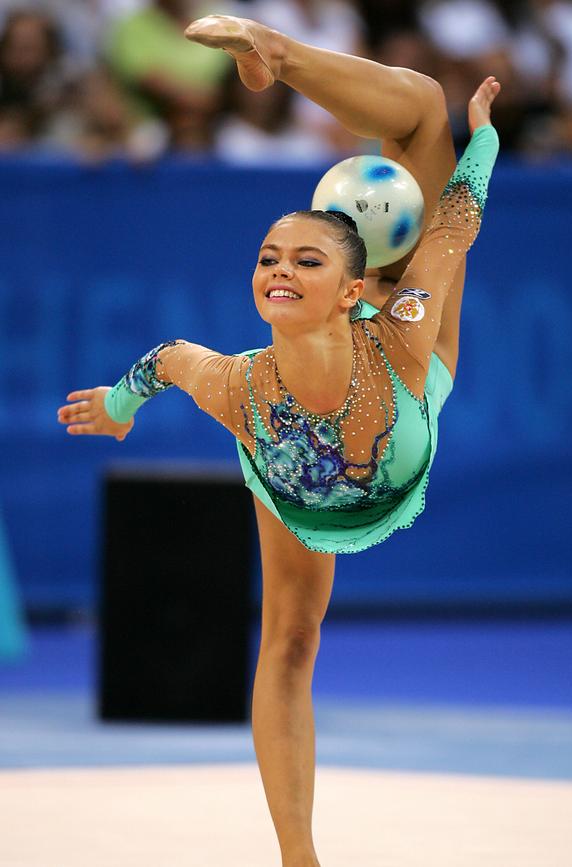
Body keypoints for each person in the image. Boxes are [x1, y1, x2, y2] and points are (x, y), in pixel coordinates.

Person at [58, 16, 499, 867]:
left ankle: (278, 53)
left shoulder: (405, 323)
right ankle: (298, 856)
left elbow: (456, 224)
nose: (278, 272)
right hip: (289, 481)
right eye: (268, 259)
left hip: (402, 396)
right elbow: (168, 360)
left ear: (354, 290)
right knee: (291, 640)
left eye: (304, 261)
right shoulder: (239, 386)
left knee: (420, 106)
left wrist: (480, 141)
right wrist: (118, 404)